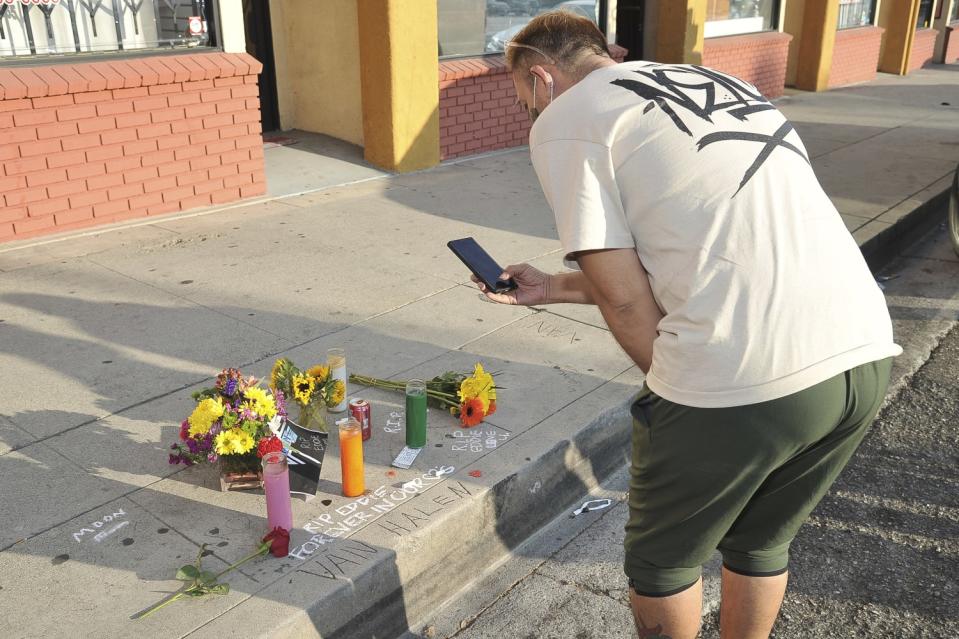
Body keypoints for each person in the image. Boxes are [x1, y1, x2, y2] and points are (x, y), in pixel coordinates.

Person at [472, 10, 902, 639]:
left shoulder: (568, 117)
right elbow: (695, 252)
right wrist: (555, 287)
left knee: (662, 563)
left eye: (524, 102)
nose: (532, 115)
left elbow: (624, 299)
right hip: (862, 348)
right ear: (608, 52)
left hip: (748, 371)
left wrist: (676, 394)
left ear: (542, 78)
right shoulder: (722, 85)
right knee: (759, 542)